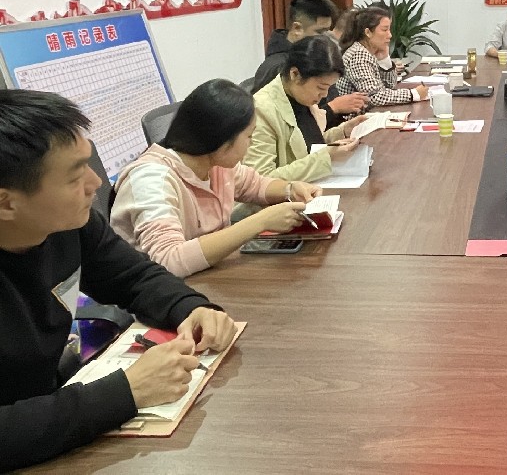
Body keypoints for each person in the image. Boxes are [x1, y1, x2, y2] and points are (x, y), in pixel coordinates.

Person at [0, 89, 238, 469]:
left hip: (54, 417)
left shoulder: (67, 225)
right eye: (74, 177)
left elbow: (133, 275)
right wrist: (128, 391)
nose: (96, 183)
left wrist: (190, 307)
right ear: (6, 202)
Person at [111, 80, 320, 277]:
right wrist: (261, 222)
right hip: (158, 290)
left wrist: (290, 189)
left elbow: (255, 185)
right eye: (249, 136)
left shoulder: (215, 162)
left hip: (208, 275)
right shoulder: (151, 181)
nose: (251, 143)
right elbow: (168, 261)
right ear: (221, 139)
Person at [245, 35, 366, 183]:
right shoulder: (262, 109)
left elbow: (306, 146)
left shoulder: (302, 97)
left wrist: (343, 131)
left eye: (328, 87)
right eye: (321, 87)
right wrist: (327, 157)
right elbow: (260, 180)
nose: (325, 95)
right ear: (295, 74)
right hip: (286, 196)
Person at [251, 0, 366, 118]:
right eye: (320, 32)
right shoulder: (276, 69)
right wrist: (333, 108)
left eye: (327, 31)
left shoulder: (316, 56)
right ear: (297, 29)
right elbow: (294, 122)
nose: (326, 38)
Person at [337, 6, 430, 106]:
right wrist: (413, 94)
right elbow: (373, 97)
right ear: (368, 32)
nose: (390, 35)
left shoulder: (368, 51)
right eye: (385, 30)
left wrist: (384, 59)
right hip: (356, 114)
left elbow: (390, 86)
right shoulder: (358, 55)